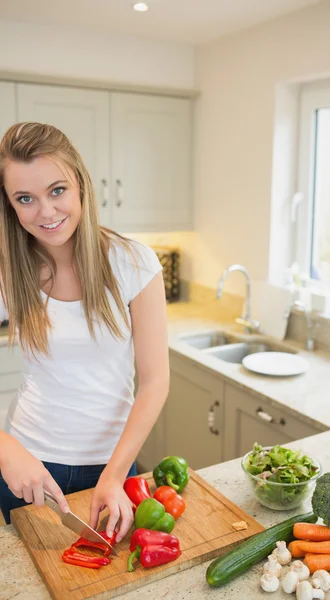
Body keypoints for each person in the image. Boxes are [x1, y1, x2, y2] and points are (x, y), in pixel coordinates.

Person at [0, 122, 169, 543]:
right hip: (29, 467)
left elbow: (154, 382)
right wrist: (5, 448)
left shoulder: (134, 263)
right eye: (25, 199)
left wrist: (114, 476)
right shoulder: (7, 271)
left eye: (57, 190)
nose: (46, 212)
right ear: (10, 206)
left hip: (114, 463)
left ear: (80, 185)